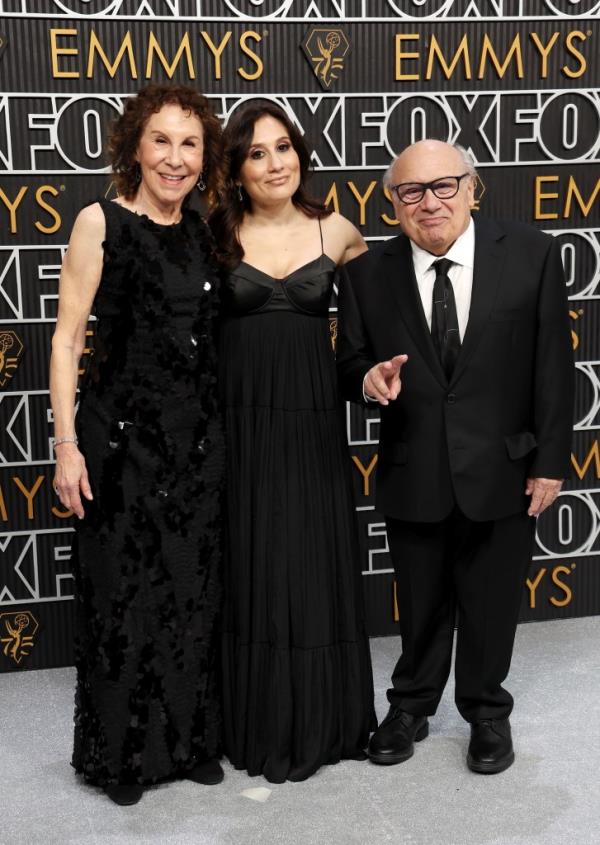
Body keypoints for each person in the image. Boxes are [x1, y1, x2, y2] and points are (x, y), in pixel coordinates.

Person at [336, 139, 574, 774]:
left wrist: (551, 460)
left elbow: (553, 366)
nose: (430, 202)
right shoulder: (364, 274)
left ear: (473, 188)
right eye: (411, 191)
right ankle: (411, 706)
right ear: (393, 204)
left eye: (445, 186)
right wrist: (369, 381)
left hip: (505, 465)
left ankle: (487, 712)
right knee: (419, 601)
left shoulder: (531, 253)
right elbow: (350, 362)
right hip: (414, 466)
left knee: (493, 601)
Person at [50, 84, 225, 805]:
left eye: (190, 143)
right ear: (135, 145)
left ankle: (185, 744)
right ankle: (121, 754)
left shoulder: (206, 230)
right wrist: (65, 445)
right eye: (161, 140)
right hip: (116, 440)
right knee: (122, 598)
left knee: (189, 594)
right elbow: (65, 340)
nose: (175, 159)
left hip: (195, 443)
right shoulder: (101, 222)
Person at [209, 101, 376, 783]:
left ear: (300, 155)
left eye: (284, 148)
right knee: (250, 560)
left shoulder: (338, 231)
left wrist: (378, 377)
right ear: (237, 169)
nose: (275, 163)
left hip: (312, 423)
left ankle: (325, 718)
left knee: (310, 560)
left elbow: (365, 342)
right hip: (240, 425)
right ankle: (253, 720)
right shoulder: (212, 234)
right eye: (256, 152)